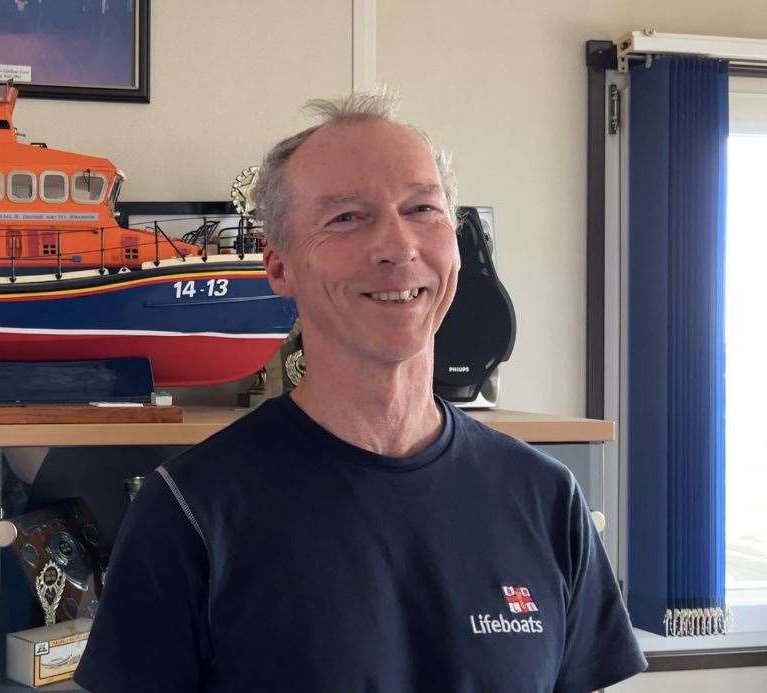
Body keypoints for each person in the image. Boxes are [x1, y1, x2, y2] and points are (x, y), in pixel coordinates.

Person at [74, 90, 646, 692]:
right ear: (279, 267)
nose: (398, 248)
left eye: (423, 209)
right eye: (346, 217)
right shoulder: (189, 513)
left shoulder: (547, 499)